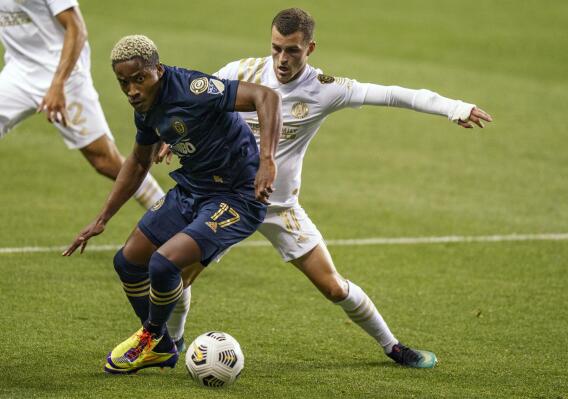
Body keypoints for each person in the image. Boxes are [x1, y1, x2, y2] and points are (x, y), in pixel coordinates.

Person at [163, 8, 493, 368]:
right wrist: (171, 136)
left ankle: (393, 347)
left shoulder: (324, 90)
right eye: (276, 48)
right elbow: (193, 105)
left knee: (333, 286)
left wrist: (454, 107)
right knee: (178, 274)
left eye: (292, 51)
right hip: (227, 200)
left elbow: (393, 94)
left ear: (311, 49)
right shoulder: (239, 72)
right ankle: (174, 341)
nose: (282, 60)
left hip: (278, 207)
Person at [62, 34, 282, 374]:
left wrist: (267, 160)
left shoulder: (192, 89)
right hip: (193, 188)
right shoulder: (145, 110)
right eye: (124, 83)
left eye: (139, 79)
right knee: (127, 261)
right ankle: (162, 348)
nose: (132, 90)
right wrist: (102, 218)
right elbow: (137, 162)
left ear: (158, 71)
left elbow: (265, 96)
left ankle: (149, 335)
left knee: (164, 265)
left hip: (237, 196)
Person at [0, 0, 163, 208]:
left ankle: (167, 211)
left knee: (104, 161)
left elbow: (77, 28)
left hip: (63, 75)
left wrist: (58, 84)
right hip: (18, 72)